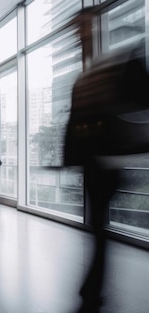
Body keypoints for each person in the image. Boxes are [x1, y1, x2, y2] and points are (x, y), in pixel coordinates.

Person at [63, 8, 149, 312]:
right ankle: (91, 287)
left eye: (81, 27)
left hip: (109, 160)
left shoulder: (114, 63)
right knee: (97, 227)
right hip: (94, 160)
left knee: (98, 226)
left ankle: (93, 290)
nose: (78, 34)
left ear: (98, 26)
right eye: (76, 29)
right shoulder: (87, 72)